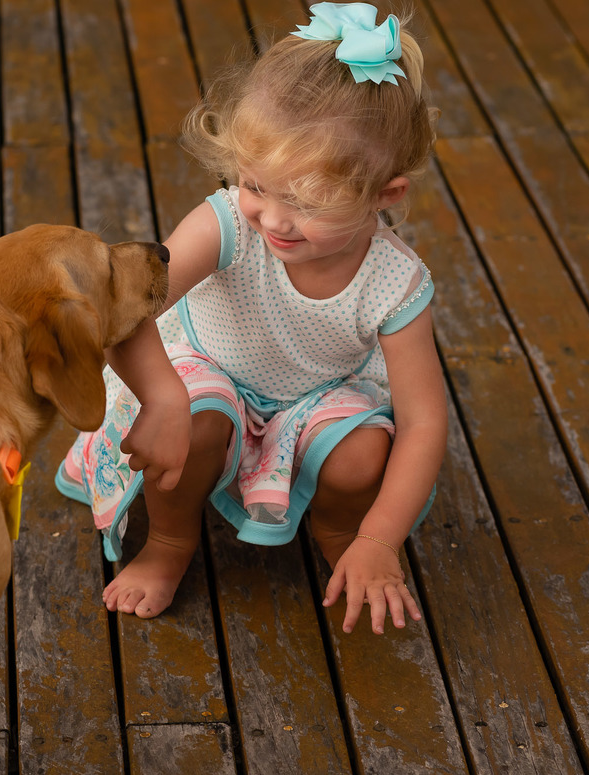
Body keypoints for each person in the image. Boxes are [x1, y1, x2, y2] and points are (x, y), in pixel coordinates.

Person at [57, 2, 446, 635]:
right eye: (257, 184)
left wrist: (382, 535)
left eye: (308, 202)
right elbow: (123, 312)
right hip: (209, 368)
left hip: (314, 397)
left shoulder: (394, 282)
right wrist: (160, 399)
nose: (274, 219)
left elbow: (425, 421)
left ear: (386, 194)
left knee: (364, 455)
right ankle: (170, 544)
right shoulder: (227, 225)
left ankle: (347, 535)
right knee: (194, 415)